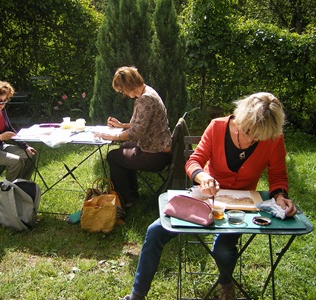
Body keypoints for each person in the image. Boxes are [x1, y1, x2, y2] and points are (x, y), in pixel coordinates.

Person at [120, 92, 297, 300]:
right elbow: (193, 161)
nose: (251, 140)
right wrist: (202, 176)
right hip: (206, 198)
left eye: (259, 137)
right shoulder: (217, 127)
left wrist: (279, 196)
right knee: (155, 230)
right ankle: (136, 296)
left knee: (223, 248)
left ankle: (225, 284)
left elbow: (278, 175)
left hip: (241, 207)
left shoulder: (274, 139)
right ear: (241, 117)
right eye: (249, 131)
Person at [95, 66, 172, 207]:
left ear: (127, 85)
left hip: (157, 155)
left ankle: (124, 200)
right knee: (124, 147)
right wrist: (121, 125)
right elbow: (139, 124)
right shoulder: (147, 93)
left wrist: (110, 136)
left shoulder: (146, 99)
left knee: (113, 156)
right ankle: (132, 192)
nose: (121, 93)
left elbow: (137, 133)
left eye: (120, 89)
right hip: (158, 148)